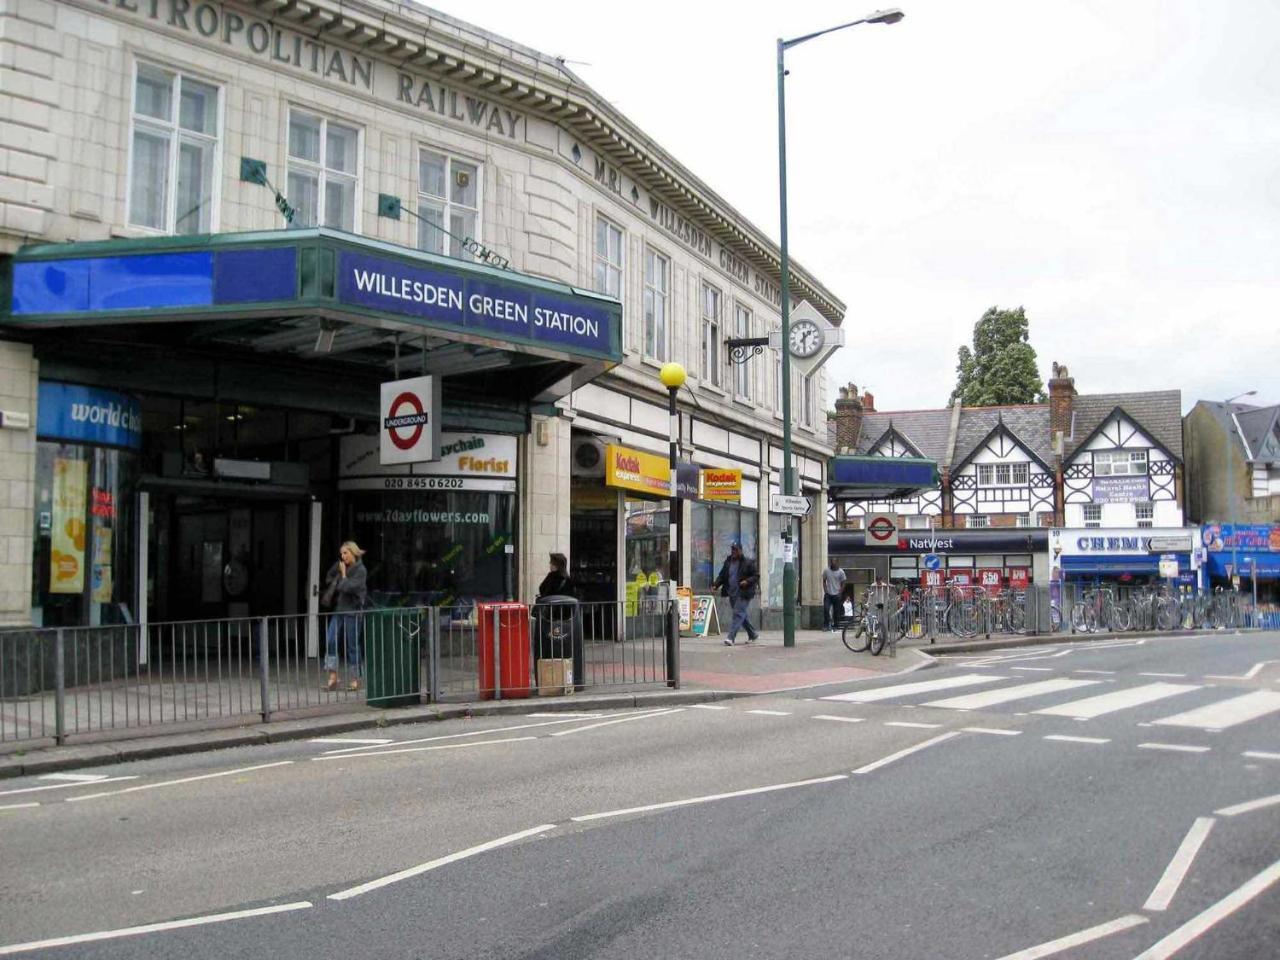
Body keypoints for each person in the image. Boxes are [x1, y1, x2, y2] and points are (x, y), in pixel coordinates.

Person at [323, 541, 367, 692]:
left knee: (352, 645)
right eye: (341, 553)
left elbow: (347, 587)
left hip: (353, 611)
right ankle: (333, 677)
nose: (343, 556)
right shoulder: (340, 565)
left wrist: (342, 575)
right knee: (330, 639)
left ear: (353, 553)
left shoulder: (361, 570)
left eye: (345, 553)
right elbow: (329, 578)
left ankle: (356, 679)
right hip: (339, 609)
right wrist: (336, 578)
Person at [712, 541, 759, 645]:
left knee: (738, 614)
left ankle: (730, 637)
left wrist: (747, 581)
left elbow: (756, 576)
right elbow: (722, 576)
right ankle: (753, 634)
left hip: (744, 593)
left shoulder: (747, 562)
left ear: (740, 551)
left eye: (736, 549)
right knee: (741, 614)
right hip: (732, 593)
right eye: (732, 549)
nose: (733, 551)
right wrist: (715, 585)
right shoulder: (728, 562)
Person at [822, 559, 847, 632]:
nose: (833, 564)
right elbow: (824, 581)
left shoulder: (841, 572)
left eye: (835, 562)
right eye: (832, 562)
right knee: (826, 609)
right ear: (830, 563)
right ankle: (826, 625)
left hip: (837, 594)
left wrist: (840, 593)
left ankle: (835, 625)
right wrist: (825, 590)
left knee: (836, 611)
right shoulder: (826, 571)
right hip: (828, 594)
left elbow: (844, 583)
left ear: (837, 563)